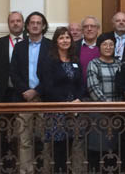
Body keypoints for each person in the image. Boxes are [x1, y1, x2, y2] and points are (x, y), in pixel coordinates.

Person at [10, 11, 51, 174]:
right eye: (32, 22)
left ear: (43, 26)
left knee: (46, 139)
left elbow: (51, 74)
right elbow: (13, 72)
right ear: (27, 26)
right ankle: (26, 170)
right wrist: (25, 91)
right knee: (24, 140)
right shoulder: (20, 47)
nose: (35, 25)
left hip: (45, 98)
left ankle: (46, 169)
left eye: (38, 23)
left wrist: (36, 91)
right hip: (24, 98)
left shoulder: (50, 46)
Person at [40, 27, 85, 172]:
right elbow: (47, 86)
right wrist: (65, 104)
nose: (65, 40)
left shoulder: (75, 60)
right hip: (57, 111)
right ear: (56, 41)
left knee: (71, 146)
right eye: (61, 38)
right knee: (58, 149)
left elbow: (81, 84)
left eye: (67, 37)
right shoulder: (49, 60)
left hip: (74, 110)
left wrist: (77, 100)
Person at [0, 11, 24, 171]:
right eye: (12, 21)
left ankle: (26, 167)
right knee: (4, 133)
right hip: (5, 93)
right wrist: (4, 83)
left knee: (26, 132)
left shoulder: (31, 42)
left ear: (23, 23)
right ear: (8, 24)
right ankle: (4, 167)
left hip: (25, 95)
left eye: (18, 21)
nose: (15, 23)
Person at [86, 33, 123, 172]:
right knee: (98, 150)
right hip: (99, 113)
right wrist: (108, 106)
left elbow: (123, 87)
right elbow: (93, 88)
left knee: (114, 151)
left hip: (117, 115)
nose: (108, 47)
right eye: (105, 44)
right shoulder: (93, 64)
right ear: (99, 47)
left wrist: (117, 109)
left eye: (111, 45)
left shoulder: (119, 64)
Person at [75, 16, 101, 84]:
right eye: (86, 26)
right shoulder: (74, 47)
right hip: (79, 89)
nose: (89, 29)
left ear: (98, 29)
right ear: (82, 30)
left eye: (92, 26)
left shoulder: (104, 46)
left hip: (100, 89)